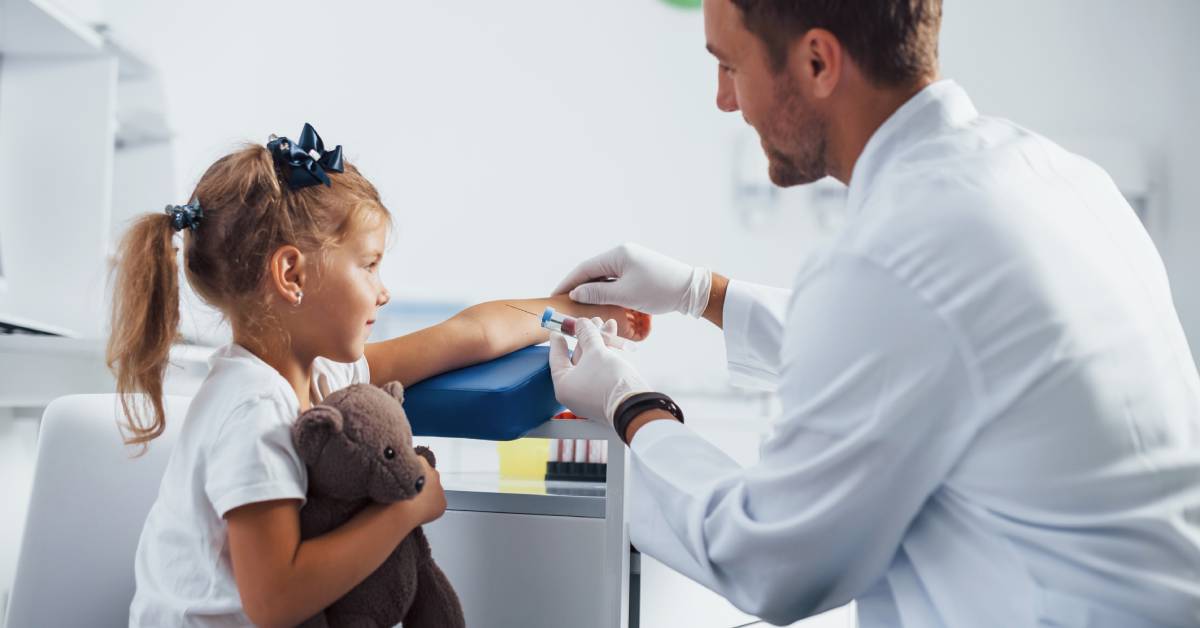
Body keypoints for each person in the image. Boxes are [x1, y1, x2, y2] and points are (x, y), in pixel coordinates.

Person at [548, 1, 1200, 626]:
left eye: (730, 66)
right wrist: (704, 293)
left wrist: (631, 405)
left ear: (818, 63)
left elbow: (766, 558)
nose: (725, 99)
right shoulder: (1054, 176)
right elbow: (928, 351)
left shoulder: (898, 253)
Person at [106, 124, 644, 627]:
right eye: (368, 265)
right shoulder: (253, 408)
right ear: (291, 274)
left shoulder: (320, 378)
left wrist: (579, 311)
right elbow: (275, 599)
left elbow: (470, 334)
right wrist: (405, 512)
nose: (383, 290)